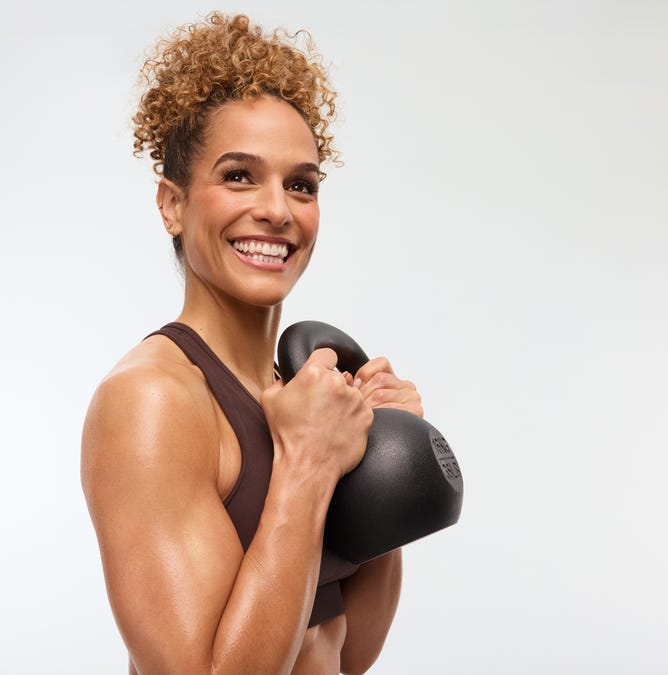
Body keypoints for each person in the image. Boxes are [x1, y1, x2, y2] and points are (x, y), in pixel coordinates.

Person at [81, 12, 425, 674]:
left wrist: (382, 461)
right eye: (240, 175)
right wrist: (308, 463)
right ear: (172, 204)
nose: (278, 209)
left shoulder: (305, 398)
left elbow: (348, 652)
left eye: (302, 184)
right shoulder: (151, 401)